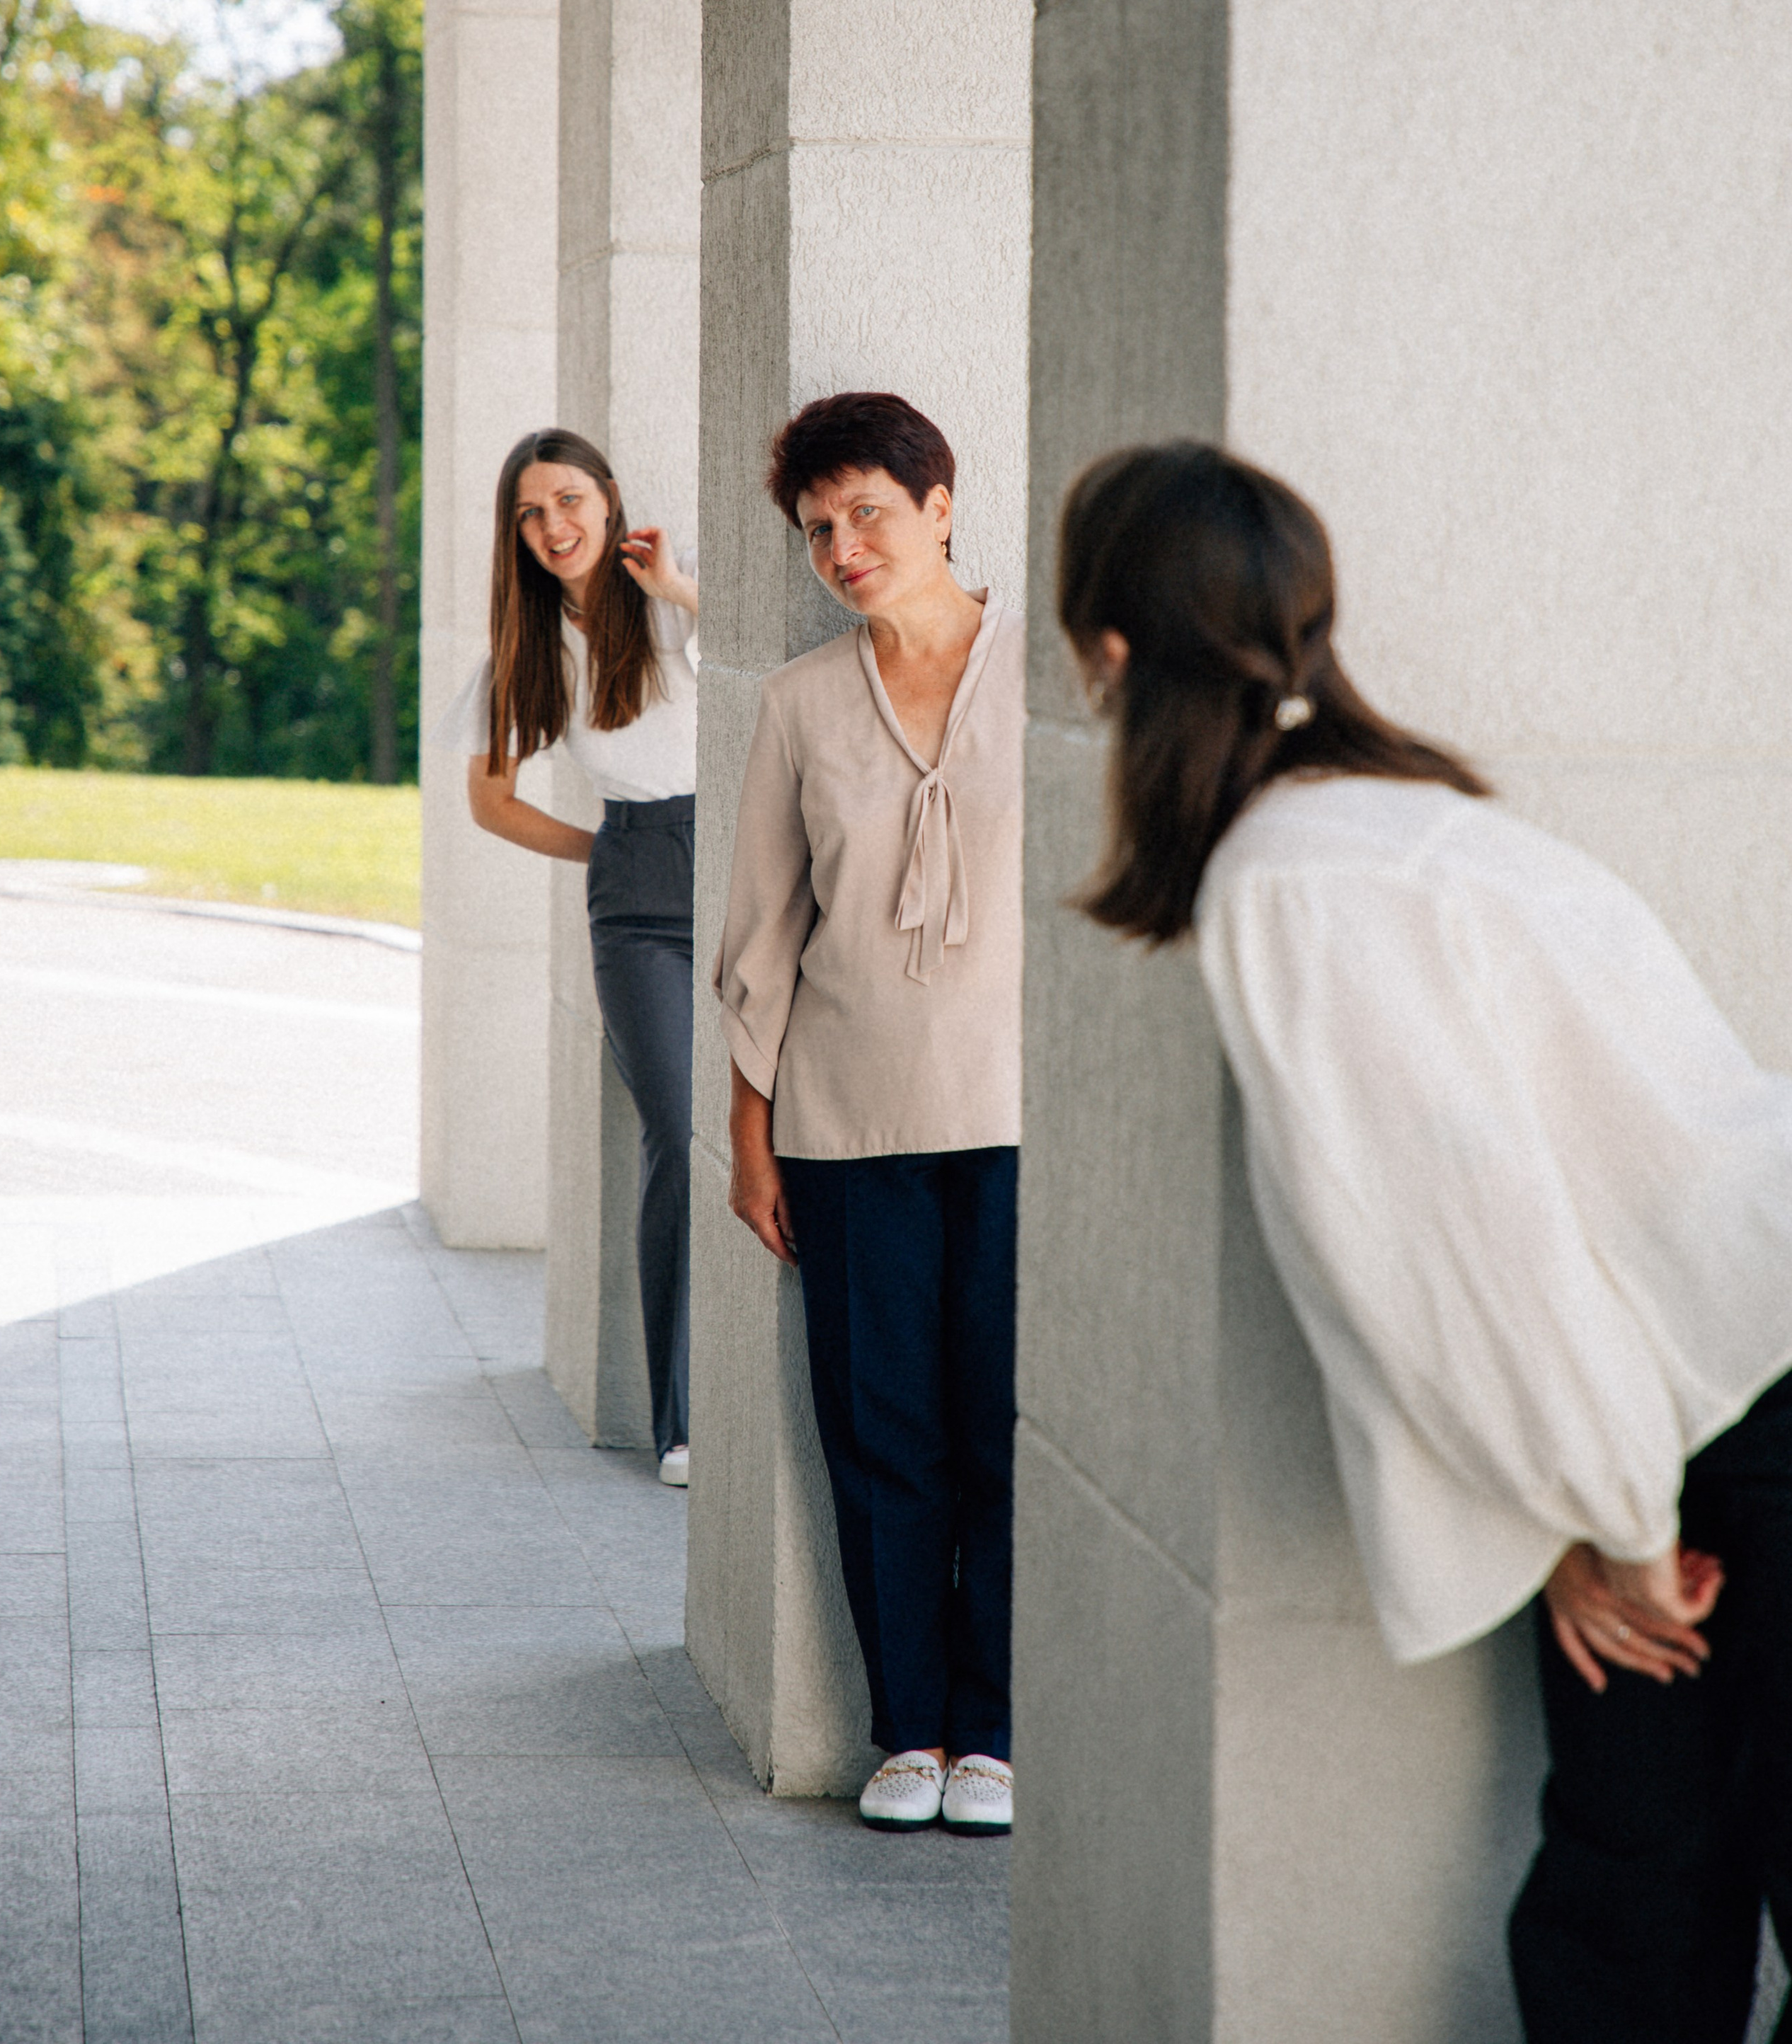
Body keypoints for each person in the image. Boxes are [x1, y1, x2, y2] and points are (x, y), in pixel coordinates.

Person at [1057, 438, 1792, 2044]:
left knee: (1633, 1919)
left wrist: (1606, 1520)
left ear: (1103, 650)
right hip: (1724, 1375)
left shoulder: (1296, 887)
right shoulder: (1396, 826)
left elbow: (1467, 1254)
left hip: (1732, 1408)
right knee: (1635, 1903)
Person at [716, 391, 1022, 1836]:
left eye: (869, 516)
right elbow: (762, 938)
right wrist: (747, 1132)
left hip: (1022, 1121)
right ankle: (905, 1732)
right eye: (818, 528)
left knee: (1004, 1431)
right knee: (879, 1431)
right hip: (841, 1130)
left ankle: (996, 1730)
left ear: (940, 503)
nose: (843, 546)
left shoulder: (1053, 678)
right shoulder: (794, 703)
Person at [438, 426, 698, 1486]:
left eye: (571, 501)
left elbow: (780, 657)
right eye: (531, 513)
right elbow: (490, 802)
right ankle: (681, 1421)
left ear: (609, 499)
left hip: (754, 871)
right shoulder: (532, 650)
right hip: (638, 902)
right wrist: (610, 847)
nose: (555, 526)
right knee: (680, 1135)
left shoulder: (671, 609)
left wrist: (676, 586)